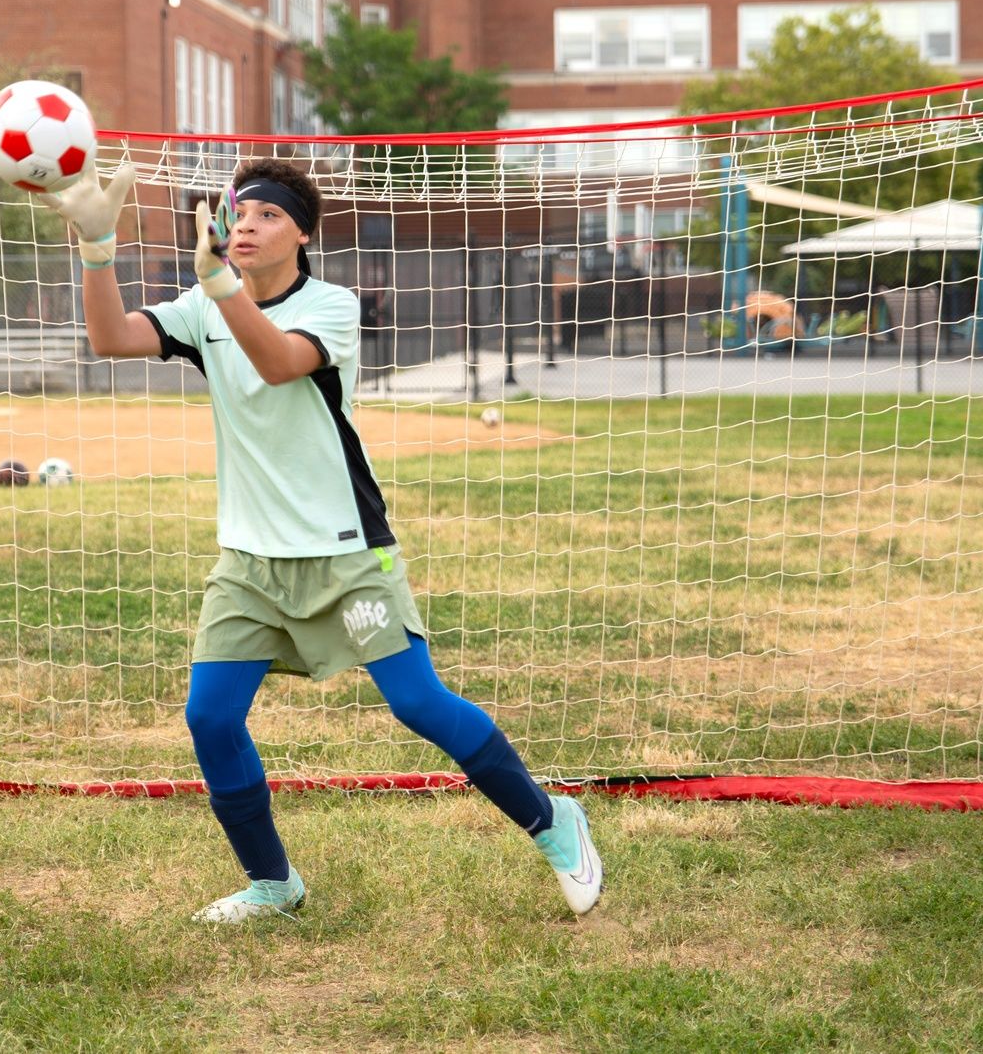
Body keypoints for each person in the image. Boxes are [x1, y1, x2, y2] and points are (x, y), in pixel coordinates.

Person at [37, 155, 603, 923]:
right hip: (249, 560)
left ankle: (552, 820)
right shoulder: (206, 305)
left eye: (267, 216)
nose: (246, 225)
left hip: (345, 554)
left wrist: (219, 287)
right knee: (210, 716)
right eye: (239, 214)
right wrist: (98, 248)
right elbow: (109, 337)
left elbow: (276, 363)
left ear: (302, 233)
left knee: (419, 704)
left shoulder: (331, 305)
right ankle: (274, 883)